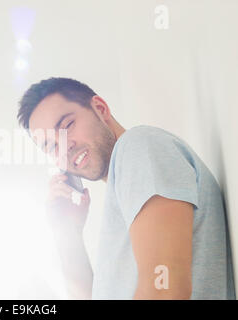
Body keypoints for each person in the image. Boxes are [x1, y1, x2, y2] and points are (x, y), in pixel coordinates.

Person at [16, 77, 235, 299]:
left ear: (100, 109)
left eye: (67, 126)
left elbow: (164, 289)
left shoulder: (139, 146)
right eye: (52, 146)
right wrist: (68, 233)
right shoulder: (125, 191)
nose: (65, 146)